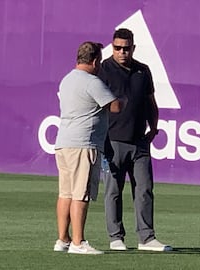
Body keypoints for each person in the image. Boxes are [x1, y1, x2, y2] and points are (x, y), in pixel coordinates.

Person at [98, 28, 172, 252]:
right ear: (112, 47)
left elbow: (151, 101)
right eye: (118, 48)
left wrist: (155, 127)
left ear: (133, 48)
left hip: (140, 140)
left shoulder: (143, 70)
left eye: (126, 48)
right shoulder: (103, 70)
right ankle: (116, 236)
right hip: (112, 140)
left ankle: (147, 238)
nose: (122, 52)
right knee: (113, 190)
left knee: (144, 189)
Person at [53, 41, 120, 255]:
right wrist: (125, 99)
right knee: (80, 194)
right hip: (84, 143)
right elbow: (115, 106)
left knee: (66, 193)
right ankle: (78, 242)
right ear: (95, 61)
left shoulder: (67, 79)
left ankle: (63, 238)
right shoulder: (92, 82)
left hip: (64, 142)